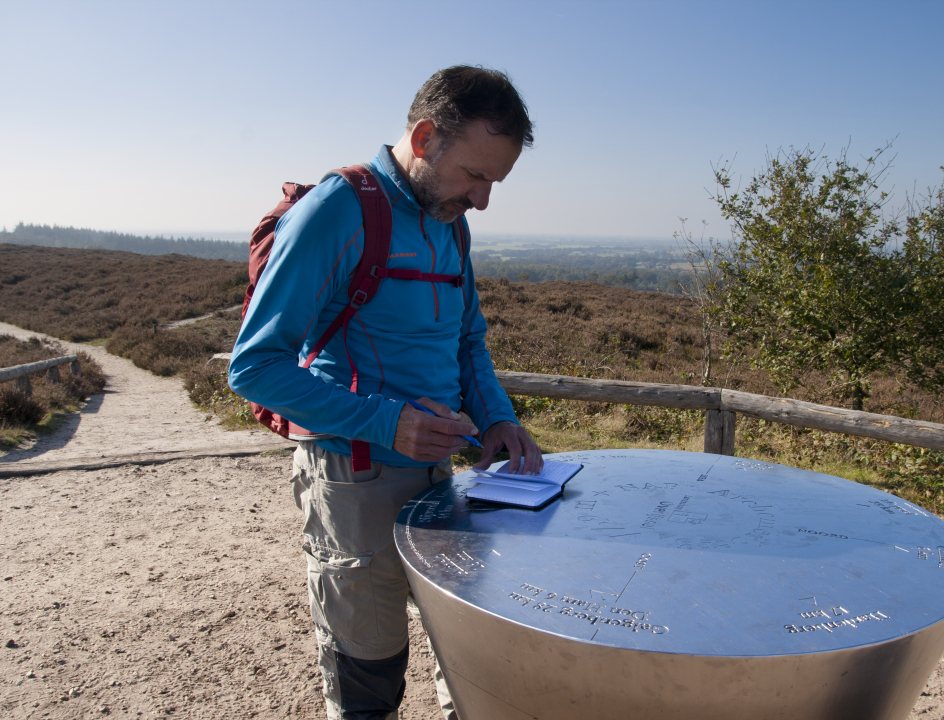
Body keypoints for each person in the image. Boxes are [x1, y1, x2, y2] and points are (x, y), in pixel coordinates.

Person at [228, 65, 542, 719]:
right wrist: (386, 423)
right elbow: (255, 368)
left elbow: (467, 342)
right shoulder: (337, 212)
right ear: (425, 138)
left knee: (469, 668)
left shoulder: (449, 220)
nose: (483, 199)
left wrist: (497, 420)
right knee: (369, 682)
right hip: (353, 481)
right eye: (476, 176)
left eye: (495, 182)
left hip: (444, 479)